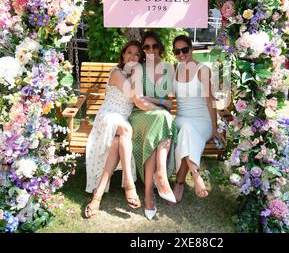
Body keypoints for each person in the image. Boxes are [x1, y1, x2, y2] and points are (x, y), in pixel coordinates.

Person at [84, 40, 162, 218]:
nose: (133, 57)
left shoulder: (134, 78)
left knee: (119, 140)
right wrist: (159, 108)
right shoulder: (117, 72)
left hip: (121, 124)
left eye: (137, 55)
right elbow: (137, 99)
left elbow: (141, 97)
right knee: (125, 130)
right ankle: (129, 184)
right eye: (129, 53)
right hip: (108, 117)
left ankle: (97, 195)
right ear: (123, 55)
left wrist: (160, 101)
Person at [129, 31, 177, 220]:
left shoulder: (168, 69)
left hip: (159, 118)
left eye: (154, 46)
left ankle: (149, 192)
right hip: (140, 114)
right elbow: (137, 99)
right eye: (146, 47)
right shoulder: (137, 69)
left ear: (160, 48)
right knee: (162, 117)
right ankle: (161, 177)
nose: (150, 50)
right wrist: (161, 102)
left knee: (158, 127)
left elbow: (173, 101)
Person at [171, 35, 225, 203]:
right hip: (181, 118)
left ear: (191, 49)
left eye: (184, 50)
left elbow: (210, 99)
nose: (181, 54)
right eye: (177, 51)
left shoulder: (203, 69)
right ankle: (195, 176)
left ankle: (182, 182)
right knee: (186, 128)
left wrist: (215, 128)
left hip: (202, 120)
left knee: (188, 131)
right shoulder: (173, 69)